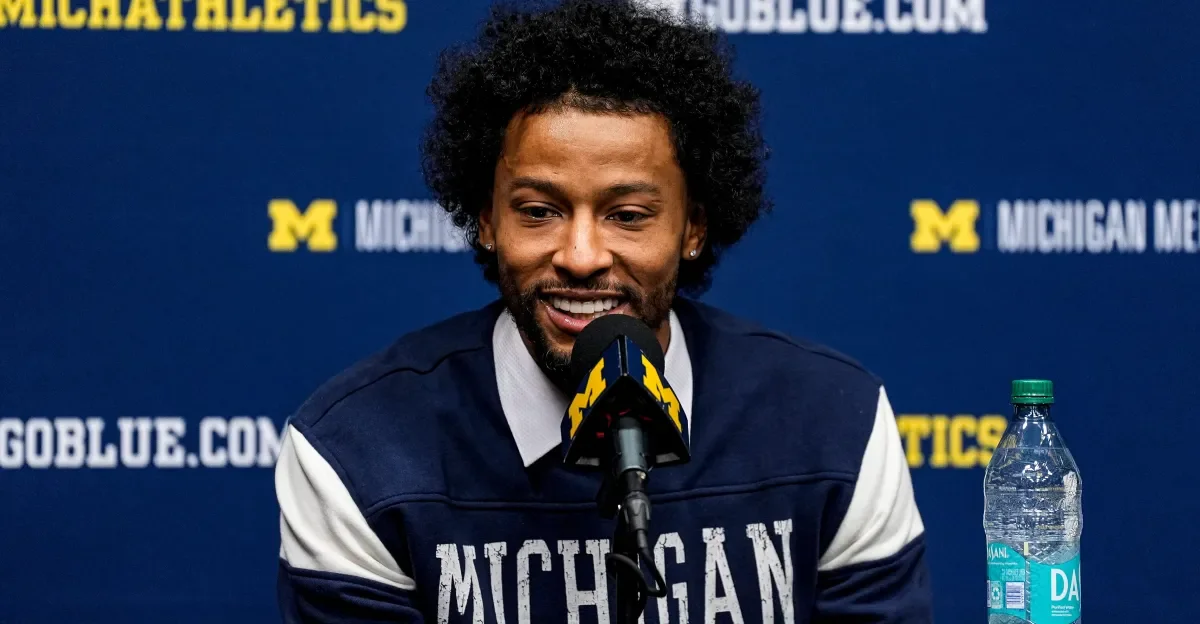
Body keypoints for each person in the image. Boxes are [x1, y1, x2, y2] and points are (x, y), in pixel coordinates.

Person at [274, 0, 932, 621]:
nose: (581, 255)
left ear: (693, 227)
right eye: (539, 210)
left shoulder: (833, 424)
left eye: (628, 215)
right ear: (485, 220)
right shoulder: (357, 452)